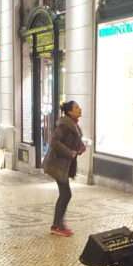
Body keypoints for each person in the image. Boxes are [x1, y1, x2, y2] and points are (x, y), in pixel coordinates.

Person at [42, 101, 86, 237]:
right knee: (66, 194)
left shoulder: (73, 124)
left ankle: (58, 224)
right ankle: (57, 225)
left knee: (65, 194)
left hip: (63, 165)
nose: (80, 109)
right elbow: (54, 142)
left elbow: (73, 140)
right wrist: (70, 153)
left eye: (79, 107)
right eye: (77, 108)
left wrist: (80, 147)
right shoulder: (65, 124)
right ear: (70, 112)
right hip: (57, 165)